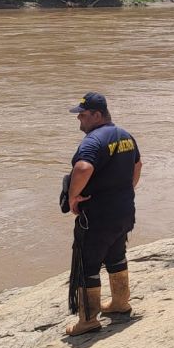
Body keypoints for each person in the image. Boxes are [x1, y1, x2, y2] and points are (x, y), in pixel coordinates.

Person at [65, 92, 142, 335]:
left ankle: (87, 320)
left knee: (86, 265)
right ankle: (120, 302)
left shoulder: (93, 140)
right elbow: (138, 165)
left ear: (97, 115)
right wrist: (127, 188)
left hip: (97, 216)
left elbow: (83, 167)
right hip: (123, 211)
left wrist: (73, 196)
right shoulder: (125, 135)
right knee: (116, 256)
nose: (80, 121)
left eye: (83, 116)